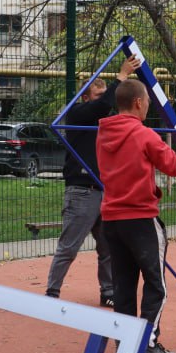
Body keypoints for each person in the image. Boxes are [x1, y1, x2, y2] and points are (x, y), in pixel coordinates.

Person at [97, 78, 176, 353]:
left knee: (124, 284)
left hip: (111, 219)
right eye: (148, 102)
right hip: (139, 218)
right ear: (138, 102)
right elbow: (175, 166)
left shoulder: (103, 134)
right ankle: (147, 345)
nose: (148, 107)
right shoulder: (144, 135)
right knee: (156, 284)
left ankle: (125, 343)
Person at [46, 55, 142, 304]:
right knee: (69, 246)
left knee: (108, 247)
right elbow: (102, 105)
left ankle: (108, 292)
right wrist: (121, 76)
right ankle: (52, 293)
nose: (105, 100)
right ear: (86, 98)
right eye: (98, 95)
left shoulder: (104, 122)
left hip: (103, 190)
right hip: (82, 191)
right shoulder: (78, 114)